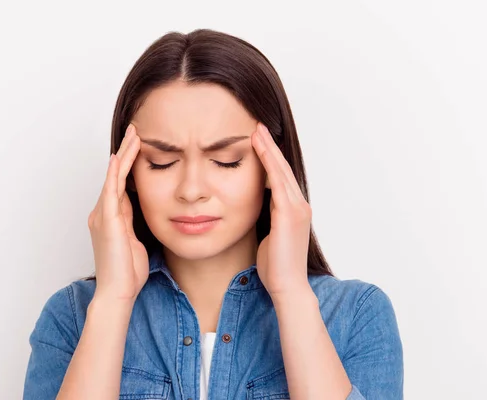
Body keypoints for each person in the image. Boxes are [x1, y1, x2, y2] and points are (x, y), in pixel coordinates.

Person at [23, 29, 404, 400]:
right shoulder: (72, 317)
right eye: (161, 162)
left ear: (274, 167)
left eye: (226, 161)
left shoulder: (355, 315)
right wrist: (112, 299)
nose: (191, 190)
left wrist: (291, 294)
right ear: (128, 172)